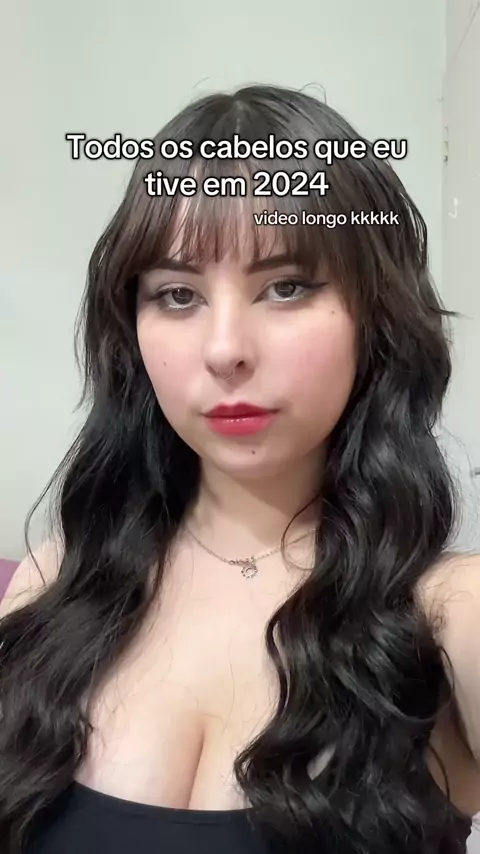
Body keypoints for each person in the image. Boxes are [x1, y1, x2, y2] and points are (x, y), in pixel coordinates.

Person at [1, 83, 479, 854]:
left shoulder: (451, 614)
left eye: (286, 287)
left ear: (376, 313)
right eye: (177, 294)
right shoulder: (55, 584)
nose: (225, 349)